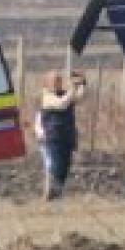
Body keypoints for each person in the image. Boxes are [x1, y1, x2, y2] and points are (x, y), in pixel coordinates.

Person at [38, 69, 86, 200]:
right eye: (54, 81)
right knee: (57, 165)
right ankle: (52, 191)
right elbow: (62, 104)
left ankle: (56, 192)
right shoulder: (47, 97)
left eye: (59, 80)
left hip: (67, 136)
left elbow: (79, 98)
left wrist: (81, 84)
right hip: (54, 137)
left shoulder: (65, 94)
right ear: (47, 83)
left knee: (65, 166)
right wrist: (72, 88)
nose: (57, 83)